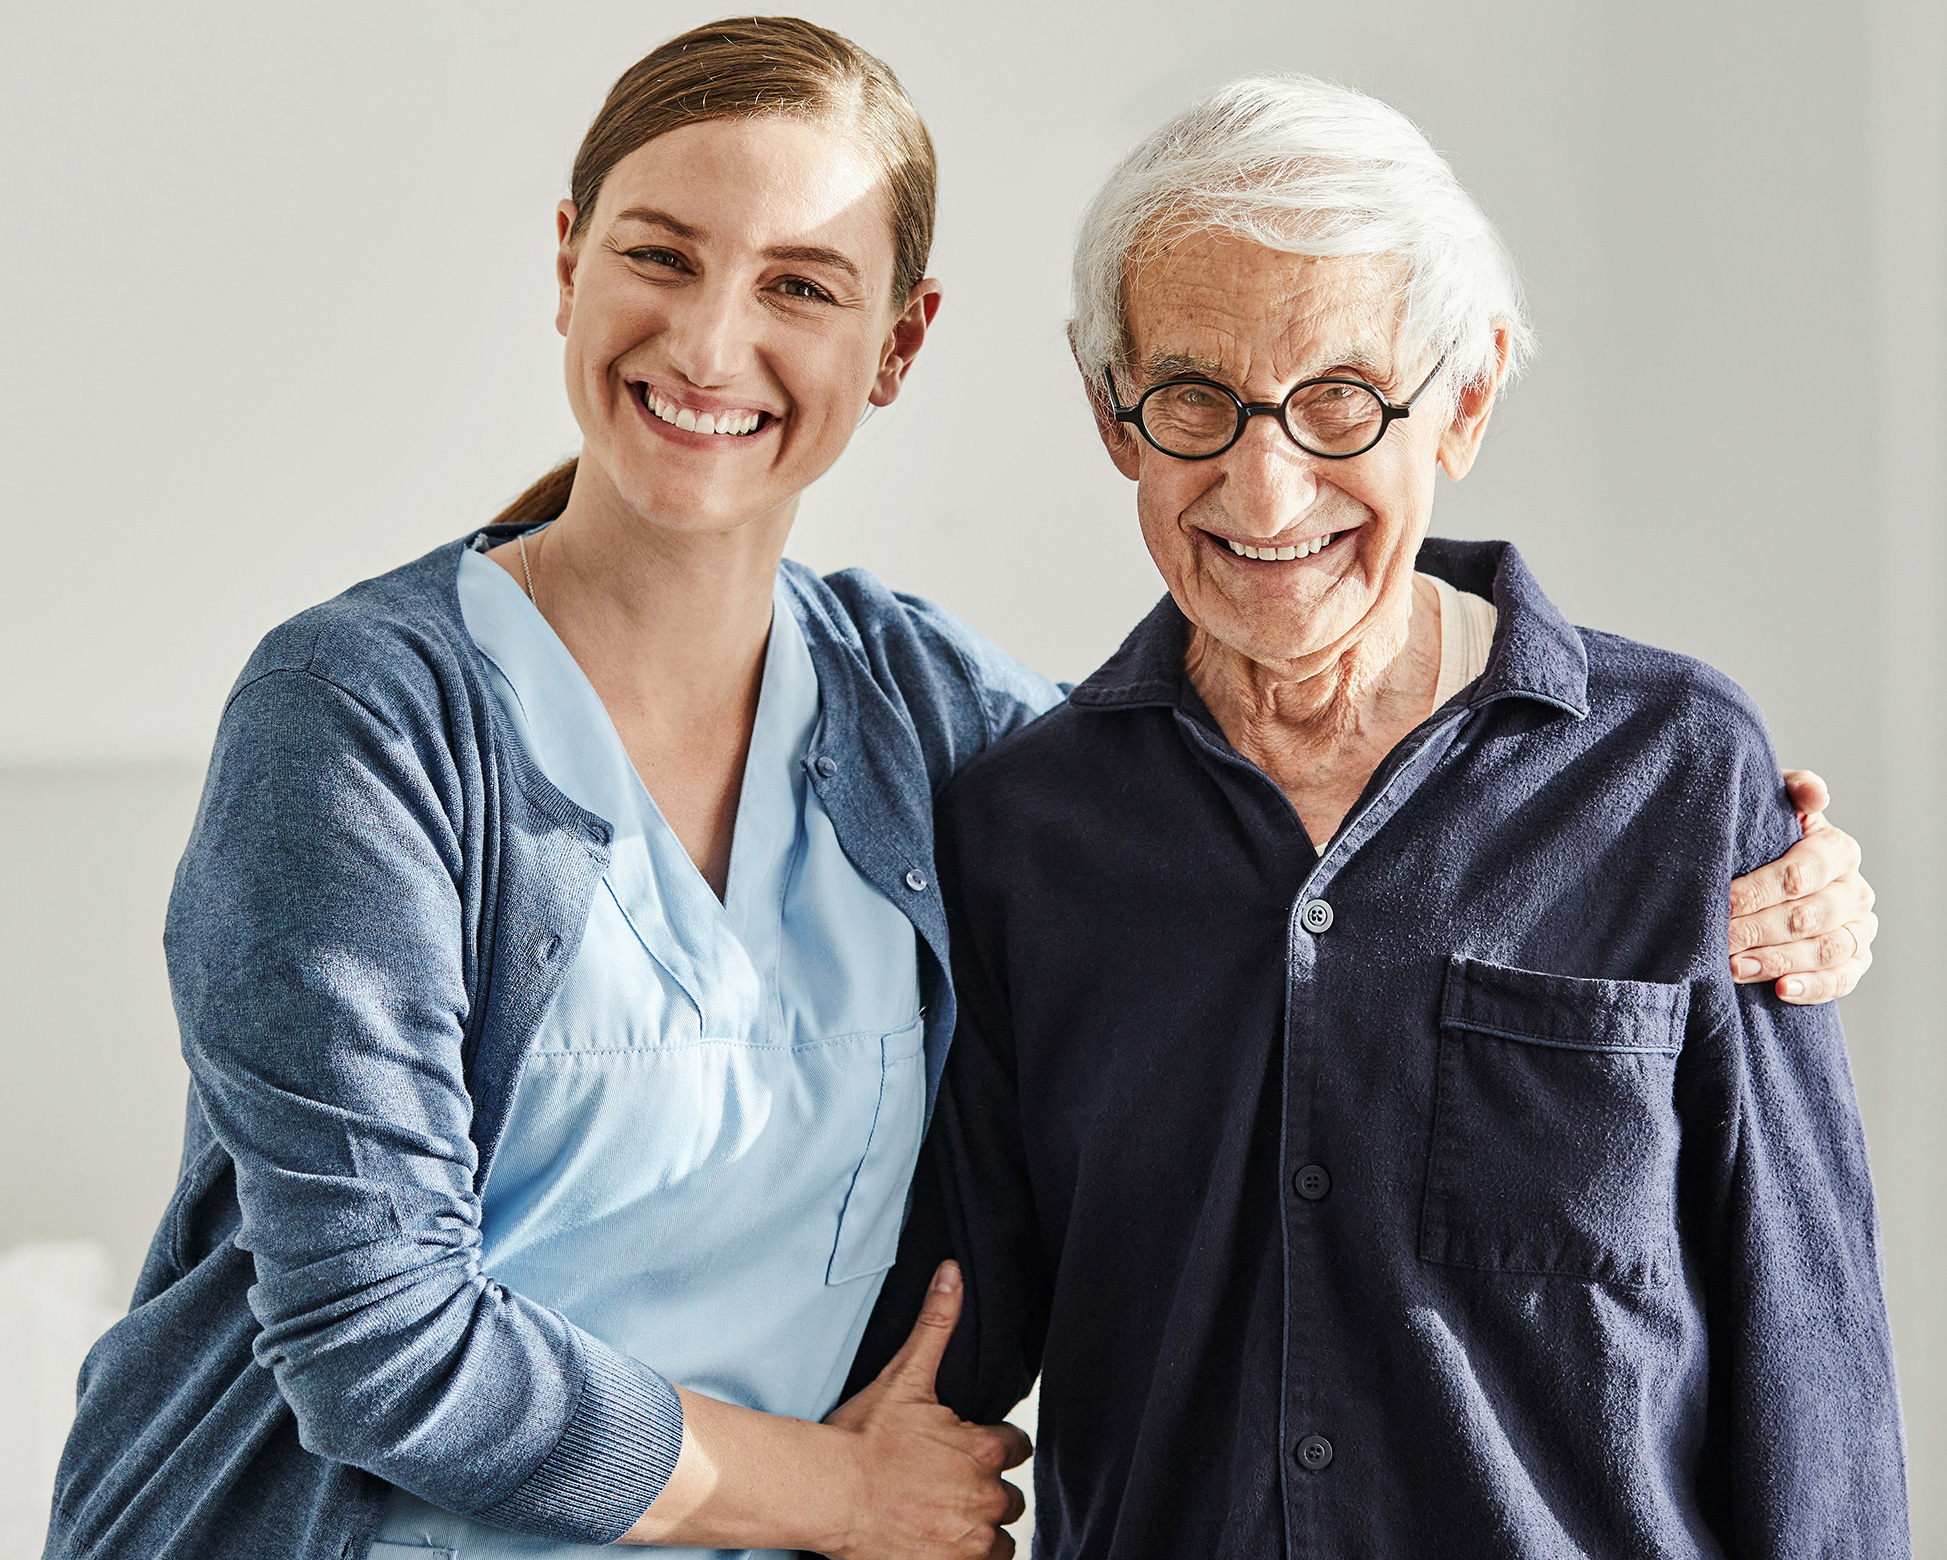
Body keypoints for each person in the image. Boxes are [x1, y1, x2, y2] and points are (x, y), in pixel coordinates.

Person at [47, 23, 1876, 1560]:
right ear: (569, 262)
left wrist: (1791, 880)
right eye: (661, 256)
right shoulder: (370, 715)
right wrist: (840, 1492)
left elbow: (1228, 767)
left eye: (801, 286)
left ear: (896, 344)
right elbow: (382, 1335)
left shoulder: (938, 719)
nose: (708, 345)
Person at [855, 75, 1904, 1559]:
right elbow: (939, 1359)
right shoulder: (1027, 833)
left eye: (1340, 397)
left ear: (1461, 400)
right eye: (1194, 399)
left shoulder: (1678, 773)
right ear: (1114, 419)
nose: (1265, 483)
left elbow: (1809, 1359)